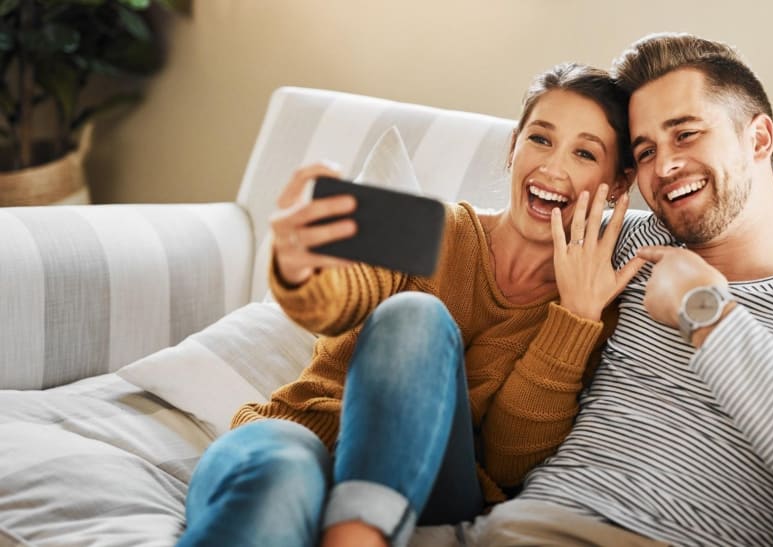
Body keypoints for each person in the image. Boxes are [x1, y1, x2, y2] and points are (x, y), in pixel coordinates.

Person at [456, 33, 773, 547]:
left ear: (758, 138)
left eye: (686, 135)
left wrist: (709, 314)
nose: (664, 167)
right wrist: (357, 218)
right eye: (646, 150)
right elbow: (481, 244)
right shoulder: (621, 241)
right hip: (499, 529)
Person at [177, 63, 647, 547]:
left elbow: (509, 463)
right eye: (540, 139)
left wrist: (574, 320)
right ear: (513, 147)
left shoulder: (592, 309)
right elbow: (342, 295)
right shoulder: (428, 225)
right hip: (299, 438)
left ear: (616, 185)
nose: (552, 167)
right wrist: (301, 270)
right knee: (279, 473)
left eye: (585, 153)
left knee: (415, 315)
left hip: (431, 487)